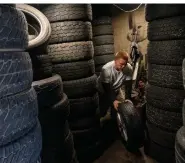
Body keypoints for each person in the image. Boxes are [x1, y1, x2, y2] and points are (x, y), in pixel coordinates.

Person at [97, 51, 133, 116]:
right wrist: (114, 100)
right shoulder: (106, 69)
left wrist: (128, 98)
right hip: (103, 90)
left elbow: (128, 85)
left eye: (125, 64)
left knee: (117, 109)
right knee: (102, 111)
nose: (123, 66)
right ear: (115, 60)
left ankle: (113, 121)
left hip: (116, 89)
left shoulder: (128, 68)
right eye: (121, 64)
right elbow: (107, 88)